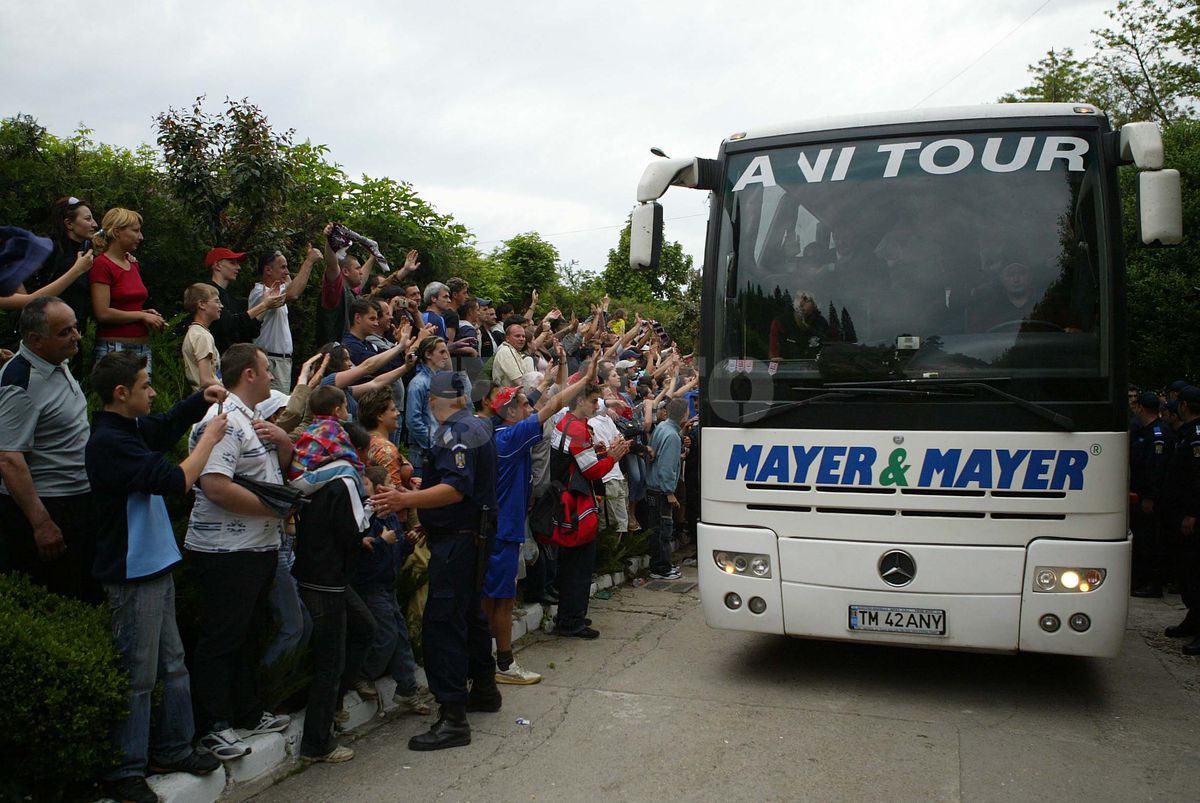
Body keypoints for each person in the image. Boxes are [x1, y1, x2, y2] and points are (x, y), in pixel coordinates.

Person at [86, 352, 229, 803]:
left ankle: (174, 748)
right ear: (120, 394)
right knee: (139, 675)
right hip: (132, 573)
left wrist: (198, 402)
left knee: (172, 665)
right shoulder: (108, 442)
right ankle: (126, 769)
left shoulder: (127, 429)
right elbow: (175, 480)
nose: (152, 392)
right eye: (145, 386)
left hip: (155, 565)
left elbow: (163, 426)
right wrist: (208, 439)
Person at [370, 370, 501, 751]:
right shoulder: (476, 426)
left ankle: (453, 717)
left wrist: (407, 501)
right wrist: (424, 494)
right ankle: (484, 690)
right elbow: (459, 486)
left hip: (458, 542)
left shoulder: (455, 432)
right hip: (470, 535)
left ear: (432, 400)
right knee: (470, 615)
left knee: (442, 623)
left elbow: (456, 490)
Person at [184, 343, 292, 760]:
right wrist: (277, 507)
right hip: (226, 550)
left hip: (257, 546)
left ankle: (246, 712)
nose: (271, 377)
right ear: (248, 374)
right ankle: (213, 726)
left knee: (247, 633)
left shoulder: (253, 419)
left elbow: (267, 471)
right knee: (221, 637)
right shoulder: (223, 421)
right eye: (266, 370)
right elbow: (214, 485)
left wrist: (283, 443)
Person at [488, 348, 598, 683]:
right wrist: (586, 380)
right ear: (510, 412)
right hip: (505, 529)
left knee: (493, 598)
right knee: (501, 600)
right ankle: (503, 664)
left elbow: (541, 401)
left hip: (499, 526)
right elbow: (551, 405)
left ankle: (483, 661)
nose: (530, 407)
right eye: (523, 404)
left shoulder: (499, 433)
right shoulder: (512, 437)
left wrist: (550, 378)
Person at [289, 385, 375, 764]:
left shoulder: (313, 473)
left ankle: (334, 707)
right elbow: (354, 532)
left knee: (364, 628)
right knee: (329, 660)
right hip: (328, 579)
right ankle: (316, 743)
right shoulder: (344, 480)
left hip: (314, 572)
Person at [0, 297, 97, 601]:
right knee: (56, 596)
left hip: (76, 499)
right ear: (35, 340)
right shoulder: (21, 383)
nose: (76, 336)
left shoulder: (56, 361)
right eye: (65, 332)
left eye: (76, 328)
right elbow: (8, 458)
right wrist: (41, 523)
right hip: (49, 507)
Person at [550, 382, 628, 638]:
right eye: (595, 401)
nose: (598, 406)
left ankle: (570, 615)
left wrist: (600, 453)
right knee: (579, 567)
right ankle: (572, 621)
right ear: (580, 400)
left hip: (566, 501)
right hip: (576, 505)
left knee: (572, 565)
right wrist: (613, 457)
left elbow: (580, 461)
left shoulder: (565, 423)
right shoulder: (577, 429)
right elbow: (592, 470)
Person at [351, 466, 429, 715]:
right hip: (372, 586)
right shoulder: (367, 517)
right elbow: (362, 554)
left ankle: (407, 689)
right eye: (388, 482)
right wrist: (381, 542)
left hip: (387, 585)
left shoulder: (391, 515)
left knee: (400, 637)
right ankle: (361, 675)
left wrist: (407, 542)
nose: (394, 487)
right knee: (386, 636)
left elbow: (395, 551)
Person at [89, 208, 165, 374]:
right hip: (115, 349)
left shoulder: (133, 264)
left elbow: (126, 307)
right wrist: (141, 315)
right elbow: (102, 313)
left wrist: (145, 313)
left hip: (142, 347)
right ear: (117, 232)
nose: (141, 237)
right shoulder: (102, 265)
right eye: (135, 231)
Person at [251, 245, 322, 391]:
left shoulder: (278, 290)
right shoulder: (261, 293)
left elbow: (292, 285)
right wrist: (309, 262)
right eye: (282, 267)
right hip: (271, 362)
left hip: (280, 362)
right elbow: (293, 292)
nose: (287, 272)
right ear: (268, 270)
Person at [1130, 391, 1172, 598]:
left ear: (1141, 408)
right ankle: (1143, 580)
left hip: (1151, 499)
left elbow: (1156, 469)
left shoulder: (1158, 434)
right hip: (1141, 494)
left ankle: (1153, 584)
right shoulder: (1146, 431)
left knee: (1151, 542)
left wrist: (1150, 497)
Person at [204, 247, 284, 355]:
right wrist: (263, 305)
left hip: (230, 363)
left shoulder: (230, 298)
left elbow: (248, 332)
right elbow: (229, 324)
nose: (238, 267)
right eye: (232, 263)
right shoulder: (208, 293)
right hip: (215, 361)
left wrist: (266, 305)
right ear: (217, 265)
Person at [646, 398, 689, 580]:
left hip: (652, 486)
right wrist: (670, 493)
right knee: (663, 530)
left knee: (656, 529)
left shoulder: (663, 427)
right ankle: (661, 568)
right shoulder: (672, 436)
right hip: (661, 489)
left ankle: (658, 565)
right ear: (684, 414)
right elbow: (666, 466)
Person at [406, 336, 453, 478]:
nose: (446, 356)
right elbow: (412, 420)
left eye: (446, 352)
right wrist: (433, 444)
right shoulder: (418, 384)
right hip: (424, 455)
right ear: (428, 354)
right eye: (441, 352)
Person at [181, 283, 223, 393]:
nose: (221, 306)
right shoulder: (202, 336)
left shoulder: (195, 332)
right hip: (209, 400)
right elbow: (206, 380)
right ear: (202, 304)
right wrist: (231, 393)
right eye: (217, 301)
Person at [768, 291, 829, 360]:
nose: (801, 303)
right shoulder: (780, 323)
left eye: (806, 300)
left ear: (814, 304)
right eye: (798, 299)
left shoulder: (821, 324)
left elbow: (831, 353)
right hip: (789, 370)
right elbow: (774, 357)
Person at [492, 316, 535, 389]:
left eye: (523, 336)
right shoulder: (506, 351)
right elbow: (520, 382)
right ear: (507, 338)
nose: (522, 339)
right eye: (517, 336)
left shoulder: (514, 351)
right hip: (507, 398)